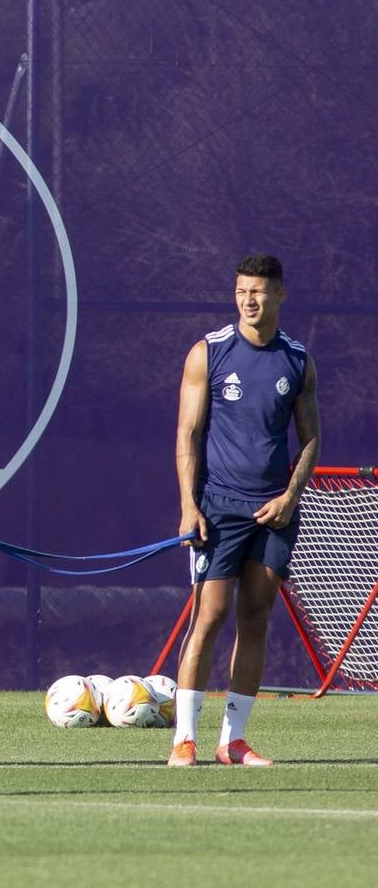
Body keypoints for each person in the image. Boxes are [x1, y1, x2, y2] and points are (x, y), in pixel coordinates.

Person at [168, 254, 319, 767]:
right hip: (219, 510)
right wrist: (190, 505)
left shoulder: (297, 359)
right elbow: (188, 434)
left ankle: (232, 741)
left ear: (280, 295)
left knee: (255, 619)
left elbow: (311, 437)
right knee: (208, 617)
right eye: (240, 291)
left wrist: (290, 497)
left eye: (258, 291)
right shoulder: (208, 353)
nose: (248, 300)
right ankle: (183, 740)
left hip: (274, 512)